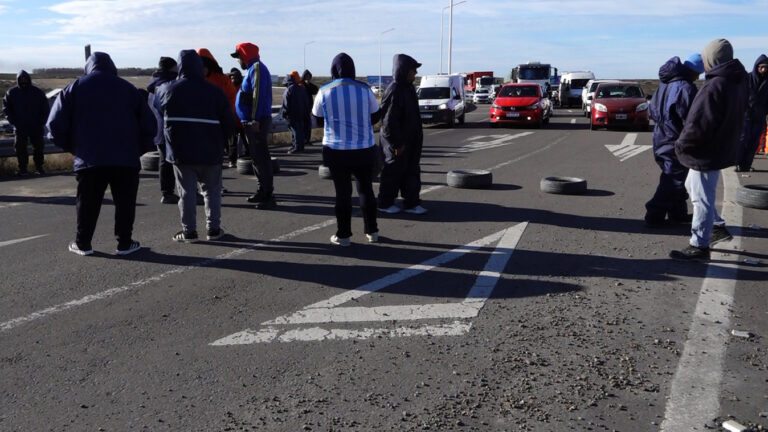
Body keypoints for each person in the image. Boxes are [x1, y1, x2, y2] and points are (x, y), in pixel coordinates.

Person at [47, 52, 156, 256]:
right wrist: (138, 149)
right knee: (125, 203)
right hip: (125, 158)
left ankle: (83, 243)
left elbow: (54, 125)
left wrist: (74, 148)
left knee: (87, 203)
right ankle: (124, 243)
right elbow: (149, 124)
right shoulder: (128, 88)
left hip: (89, 158)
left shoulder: (75, 87)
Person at [670, 39, 749, 261]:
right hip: (721, 145)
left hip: (706, 150)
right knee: (693, 187)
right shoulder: (738, 81)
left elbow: (699, 122)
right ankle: (716, 226)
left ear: (712, 60)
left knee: (701, 198)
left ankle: (699, 244)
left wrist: (682, 144)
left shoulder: (714, 85)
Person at [154, 50, 235, 243]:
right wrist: (222, 142)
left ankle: (189, 231)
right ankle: (213, 229)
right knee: (212, 191)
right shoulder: (215, 91)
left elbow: (158, 108)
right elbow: (229, 122)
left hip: (181, 151)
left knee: (186, 193)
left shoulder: (166, 90)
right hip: (210, 150)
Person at [312, 53, 382, 246]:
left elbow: (316, 118)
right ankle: (372, 231)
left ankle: (343, 235)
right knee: (366, 189)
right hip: (364, 147)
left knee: (342, 193)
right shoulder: (365, 89)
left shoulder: (324, 90)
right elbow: (376, 116)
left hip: (336, 149)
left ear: (333, 70)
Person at [644, 54, 704, 227]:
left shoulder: (664, 84)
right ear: (695, 71)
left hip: (660, 136)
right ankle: (654, 214)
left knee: (675, 175)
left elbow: (652, 110)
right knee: (673, 178)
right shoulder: (686, 88)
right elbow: (690, 119)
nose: (698, 77)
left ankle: (678, 213)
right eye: (699, 73)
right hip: (674, 138)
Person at [377, 54, 427, 215]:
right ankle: (385, 203)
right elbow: (388, 121)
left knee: (411, 171)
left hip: (411, 141)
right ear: (404, 70)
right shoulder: (395, 90)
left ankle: (412, 203)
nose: (415, 73)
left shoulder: (409, 88)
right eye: (413, 70)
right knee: (392, 172)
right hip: (397, 143)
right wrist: (396, 144)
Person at [231, 42, 276, 209]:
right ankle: (262, 190)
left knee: (261, 159)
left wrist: (255, 119)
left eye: (239, 57)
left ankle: (268, 195)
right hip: (252, 120)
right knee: (257, 158)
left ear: (244, 55)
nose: (238, 61)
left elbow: (258, 95)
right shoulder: (253, 69)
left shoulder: (257, 68)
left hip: (256, 121)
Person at [2, 70, 49, 175]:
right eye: (21, 79)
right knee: (20, 148)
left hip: (36, 125)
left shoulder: (37, 92)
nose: (23, 81)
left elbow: (45, 108)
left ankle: (39, 168)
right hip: (20, 126)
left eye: (25, 78)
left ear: (29, 79)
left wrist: (41, 121)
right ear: (18, 80)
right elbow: (6, 108)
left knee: (38, 148)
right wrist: (13, 121)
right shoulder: (12, 93)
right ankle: (23, 169)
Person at [197, 48, 238, 169]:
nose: (202, 69)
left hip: (217, 122)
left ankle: (216, 179)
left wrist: (227, 116)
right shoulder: (194, 78)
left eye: (204, 66)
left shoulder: (222, 79)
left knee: (216, 154)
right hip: (200, 123)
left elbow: (231, 98)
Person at [147, 56, 179, 203]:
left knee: (164, 161)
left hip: (158, 128)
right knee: (173, 161)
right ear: (171, 68)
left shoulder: (154, 84)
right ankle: (169, 193)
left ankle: (167, 192)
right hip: (167, 127)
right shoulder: (166, 85)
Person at [735, 54, 768, 172]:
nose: (763, 69)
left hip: (760, 116)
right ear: (757, 67)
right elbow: (739, 95)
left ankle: (746, 165)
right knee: (743, 139)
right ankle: (737, 162)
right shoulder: (747, 79)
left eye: (766, 67)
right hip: (746, 115)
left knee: (754, 142)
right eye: (761, 67)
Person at [280, 70, 309, 154]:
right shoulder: (301, 88)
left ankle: (297, 147)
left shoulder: (289, 89)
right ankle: (299, 146)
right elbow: (306, 101)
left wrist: (284, 113)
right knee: (299, 131)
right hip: (301, 114)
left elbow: (285, 103)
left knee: (295, 131)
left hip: (292, 114)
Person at [228, 67, 246, 165]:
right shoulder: (228, 88)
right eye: (231, 78)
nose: (233, 80)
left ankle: (249, 157)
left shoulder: (243, 87)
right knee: (232, 142)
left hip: (242, 118)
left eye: (235, 78)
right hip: (232, 119)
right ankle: (232, 160)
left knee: (246, 140)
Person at [301, 69, 319, 147]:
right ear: (304, 77)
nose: (308, 78)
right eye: (306, 76)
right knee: (302, 126)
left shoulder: (310, 85)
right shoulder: (300, 85)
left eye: (309, 76)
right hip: (301, 109)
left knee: (308, 125)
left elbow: (315, 90)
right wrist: (306, 85)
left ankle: (307, 140)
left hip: (308, 109)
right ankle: (301, 140)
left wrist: (308, 85)